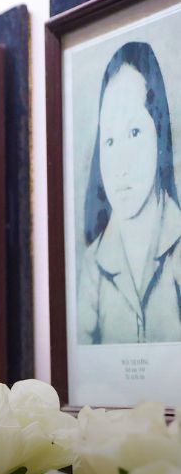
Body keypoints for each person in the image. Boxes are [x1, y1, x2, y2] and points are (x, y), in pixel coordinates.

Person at [77, 40, 181, 345]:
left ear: (159, 133)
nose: (120, 165)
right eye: (109, 141)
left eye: (134, 132)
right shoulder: (93, 264)